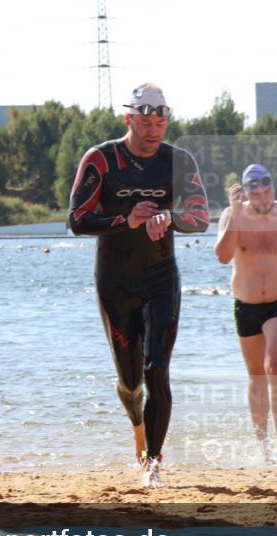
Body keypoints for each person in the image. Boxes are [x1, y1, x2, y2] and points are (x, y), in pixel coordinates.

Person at [68, 83, 210, 488]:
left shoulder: (178, 161)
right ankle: (137, 425)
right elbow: (77, 220)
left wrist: (172, 218)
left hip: (161, 279)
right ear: (128, 119)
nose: (153, 131)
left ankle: (152, 461)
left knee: (157, 370)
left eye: (160, 123)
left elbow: (200, 217)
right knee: (131, 383)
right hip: (115, 283)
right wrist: (125, 221)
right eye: (145, 122)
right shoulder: (102, 159)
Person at [214, 164, 277, 466]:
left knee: (276, 365)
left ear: (274, 187)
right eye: (254, 193)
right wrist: (233, 212)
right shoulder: (232, 216)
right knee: (256, 374)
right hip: (245, 305)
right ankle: (263, 447)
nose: (262, 198)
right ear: (245, 193)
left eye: (266, 190)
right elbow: (222, 256)